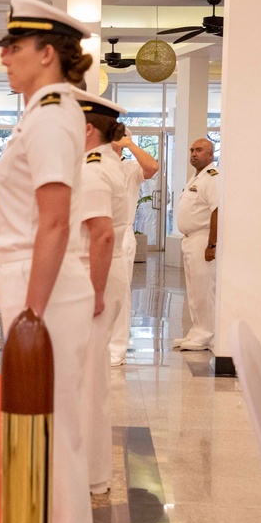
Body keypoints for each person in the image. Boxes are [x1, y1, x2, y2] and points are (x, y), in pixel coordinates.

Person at [0, 0, 96, 523]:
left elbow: (54, 224)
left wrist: (30, 315)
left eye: (14, 46)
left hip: (44, 290)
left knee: (53, 435)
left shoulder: (52, 114)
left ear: (46, 54)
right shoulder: (40, 112)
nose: (3, 55)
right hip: (35, 284)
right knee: (44, 433)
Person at [72, 89, 128, 496]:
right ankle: (89, 469)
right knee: (89, 376)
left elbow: (102, 235)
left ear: (88, 129)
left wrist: (93, 292)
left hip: (97, 274)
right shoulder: (106, 163)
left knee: (90, 377)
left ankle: (91, 474)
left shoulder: (92, 168)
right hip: (105, 271)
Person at [109, 129, 159, 366]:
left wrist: (129, 144)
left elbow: (152, 167)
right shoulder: (93, 164)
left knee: (119, 292)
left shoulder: (129, 167)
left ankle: (116, 348)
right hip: (92, 233)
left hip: (120, 234)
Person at [175, 138, 220, 351]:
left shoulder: (213, 178)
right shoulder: (196, 177)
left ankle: (206, 334)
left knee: (203, 290)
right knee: (194, 290)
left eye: (199, 150)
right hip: (190, 239)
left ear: (210, 155)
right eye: (192, 150)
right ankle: (196, 331)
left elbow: (217, 210)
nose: (194, 153)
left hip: (203, 239)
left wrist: (212, 244)